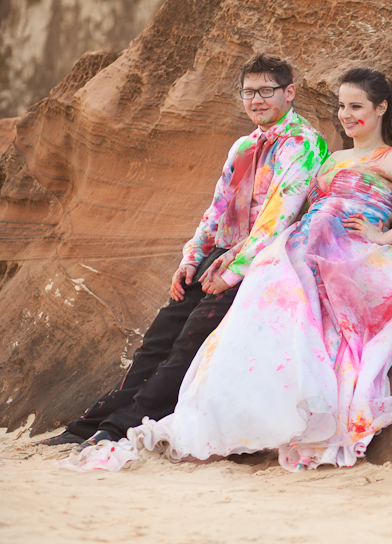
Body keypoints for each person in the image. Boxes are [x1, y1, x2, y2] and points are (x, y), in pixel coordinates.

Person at [62, 67, 392, 472]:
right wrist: (225, 252)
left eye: (357, 106)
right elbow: (289, 208)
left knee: (310, 342)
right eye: (341, 106)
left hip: (347, 257)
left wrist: (385, 236)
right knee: (250, 338)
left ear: (381, 108)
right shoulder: (331, 159)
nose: (347, 115)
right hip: (296, 254)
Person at [40, 53, 329, 449]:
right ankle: (88, 425)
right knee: (157, 340)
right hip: (220, 256)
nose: (257, 100)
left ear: (289, 92)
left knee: (187, 345)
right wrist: (192, 258)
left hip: (261, 263)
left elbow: (279, 216)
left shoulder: (306, 144)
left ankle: (121, 428)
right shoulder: (245, 145)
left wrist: (232, 270)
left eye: (267, 91)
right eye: (249, 92)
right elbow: (217, 207)